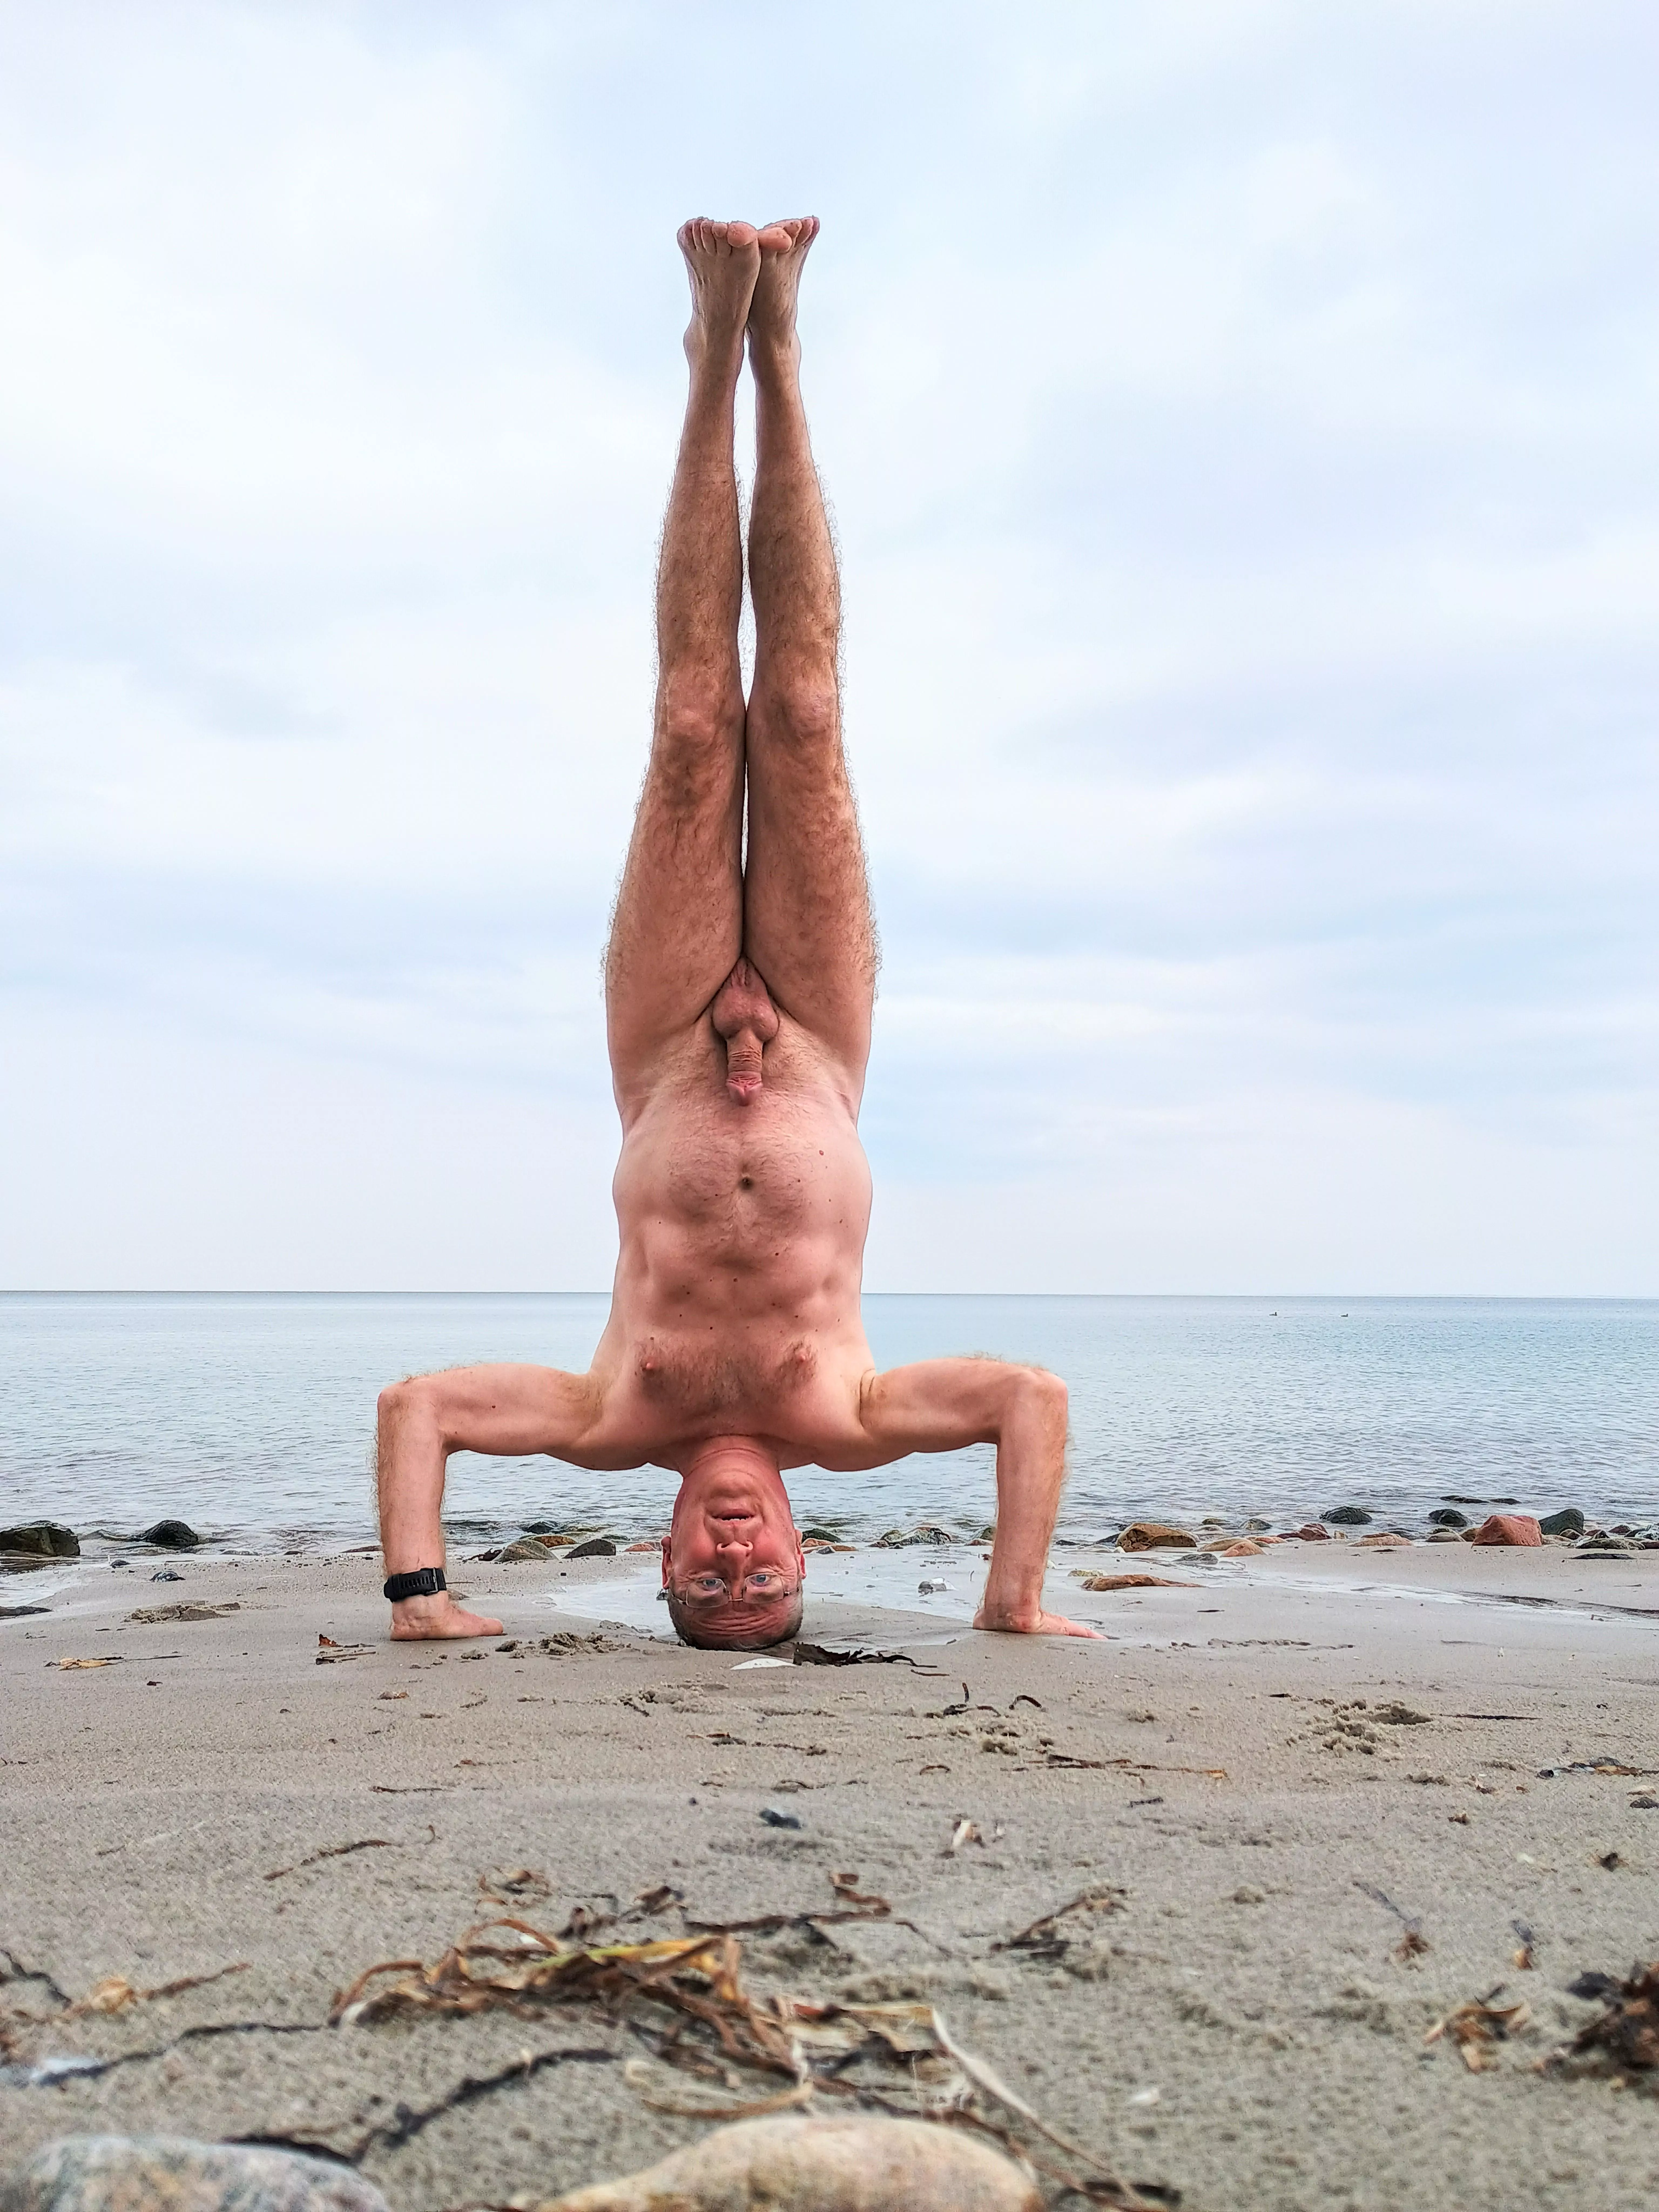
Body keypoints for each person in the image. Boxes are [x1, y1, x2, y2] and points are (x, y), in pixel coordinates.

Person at [374, 218, 1097, 1650]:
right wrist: (1011, 1599)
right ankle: (782, 346)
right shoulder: (854, 1416)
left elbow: (422, 1410)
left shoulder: (608, 1417)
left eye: (708, 1590)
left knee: (700, 720)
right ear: (803, 1549)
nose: (736, 1565)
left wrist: (420, 1599)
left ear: (660, 1560)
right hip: (820, 1045)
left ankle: (711, 359)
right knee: (807, 712)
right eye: (765, 1585)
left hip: (662, 1051)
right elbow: (1035, 1401)